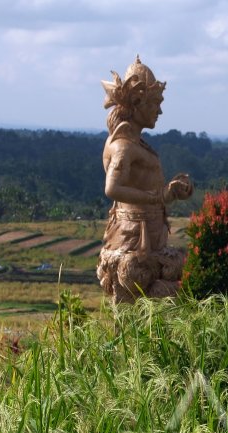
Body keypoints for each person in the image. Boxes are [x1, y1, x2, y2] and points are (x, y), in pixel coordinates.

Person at [96, 57, 194, 304]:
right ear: (138, 103)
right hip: (133, 241)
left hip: (147, 236)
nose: (159, 111)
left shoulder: (135, 143)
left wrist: (171, 191)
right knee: (136, 305)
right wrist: (158, 197)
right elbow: (113, 187)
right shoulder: (123, 146)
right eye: (154, 104)